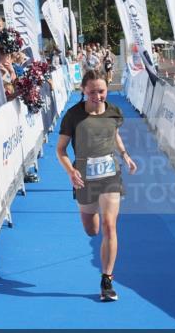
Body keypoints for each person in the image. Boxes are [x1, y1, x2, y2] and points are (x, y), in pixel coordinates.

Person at [56, 70, 137, 302]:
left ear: (106, 89)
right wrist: (71, 171)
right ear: (83, 90)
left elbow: (115, 135)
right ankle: (96, 235)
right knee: (92, 230)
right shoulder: (73, 116)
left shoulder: (114, 112)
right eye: (92, 91)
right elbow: (60, 150)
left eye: (101, 91)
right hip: (84, 178)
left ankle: (107, 280)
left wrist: (124, 155)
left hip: (110, 175)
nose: (97, 95)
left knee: (109, 226)